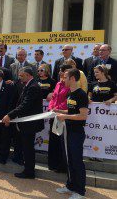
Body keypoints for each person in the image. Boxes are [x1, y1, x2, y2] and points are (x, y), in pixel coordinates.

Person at [2, 67, 44, 179]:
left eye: (21, 75)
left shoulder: (33, 87)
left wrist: (9, 115)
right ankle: (28, 170)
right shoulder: (29, 85)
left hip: (29, 124)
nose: (19, 78)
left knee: (28, 148)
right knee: (26, 147)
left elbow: (25, 105)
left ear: (28, 75)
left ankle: (29, 172)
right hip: (26, 123)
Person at [55, 68, 89, 199]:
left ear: (73, 78)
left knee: (77, 161)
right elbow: (70, 112)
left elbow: (83, 116)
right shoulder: (70, 94)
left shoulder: (81, 94)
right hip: (67, 132)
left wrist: (65, 117)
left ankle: (80, 192)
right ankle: (70, 185)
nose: (63, 79)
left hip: (76, 133)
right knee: (69, 161)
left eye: (66, 77)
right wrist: (60, 111)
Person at [47, 64, 72, 172]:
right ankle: (52, 164)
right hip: (54, 115)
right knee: (53, 140)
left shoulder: (70, 85)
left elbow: (67, 101)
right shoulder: (58, 83)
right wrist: (51, 108)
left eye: (62, 71)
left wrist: (57, 109)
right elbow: (53, 98)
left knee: (61, 142)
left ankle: (62, 166)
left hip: (62, 116)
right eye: (60, 71)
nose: (60, 73)